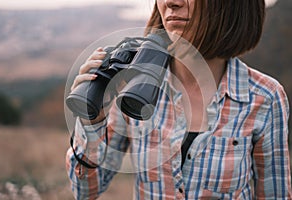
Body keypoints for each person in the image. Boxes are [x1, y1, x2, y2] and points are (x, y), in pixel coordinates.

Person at [66, 0, 292, 199]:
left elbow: (276, 194)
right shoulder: (132, 84)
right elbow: (85, 191)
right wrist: (92, 123)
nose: (171, 2)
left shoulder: (264, 98)